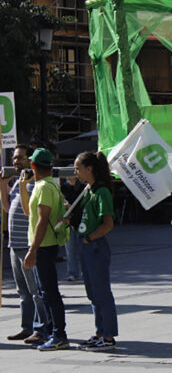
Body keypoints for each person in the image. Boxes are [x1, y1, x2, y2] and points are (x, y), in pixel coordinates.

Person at [0, 144, 49, 345]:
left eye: (19, 158)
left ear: (30, 161)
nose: (15, 161)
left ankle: (42, 328)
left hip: (27, 244)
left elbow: (33, 211)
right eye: (13, 158)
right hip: (14, 244)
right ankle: (26, 327)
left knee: (36, 291)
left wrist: (33, 247)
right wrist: (3, 185)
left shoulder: (34, 183)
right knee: (23, 292)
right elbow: (7, 207)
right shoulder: (18, 183)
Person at [20, 148, 69, 350]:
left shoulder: (44, 187)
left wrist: (33, 249)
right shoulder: (46, 184)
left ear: (33, 166)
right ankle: (50, 332)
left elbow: (42, 220)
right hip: (45, 245)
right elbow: (30, 214)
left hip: (44, 246)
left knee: (49, 292)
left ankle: (59, 335)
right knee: (44, 292)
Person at [73, 151, 118, 351]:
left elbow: (108, 223)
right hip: (87, 245)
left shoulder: (101, 192)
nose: (76, 172)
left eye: (78, 168)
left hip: (96, 247)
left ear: (89, 168)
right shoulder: (88, 190)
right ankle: (100, 331)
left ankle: (108, 336)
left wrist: (90, 238)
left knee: (102, 292)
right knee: (92, 293)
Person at [61, 176, 85, 281]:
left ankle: (86, 272)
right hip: (68, 222)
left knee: (83, 249)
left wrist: (72, 207)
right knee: (70, 250)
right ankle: (72, 273)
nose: (68, 177)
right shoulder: (63, 188)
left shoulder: (83, 187)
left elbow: (84, 204)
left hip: (80, 222)